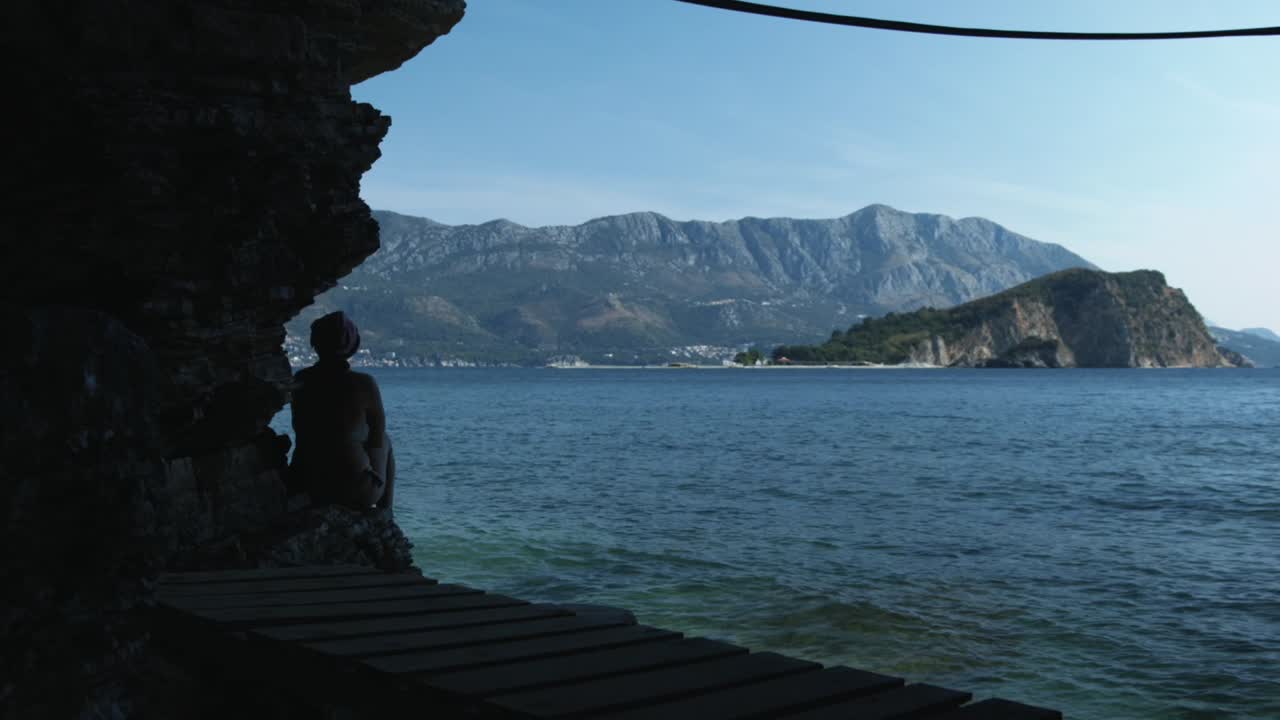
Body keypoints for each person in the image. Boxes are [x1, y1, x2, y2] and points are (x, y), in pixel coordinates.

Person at [288, 311, 395, 510]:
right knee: (385, 439)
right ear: (352, 346)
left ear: (316, 343)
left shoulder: (301, 379)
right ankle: (386, 511)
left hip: (307, 485)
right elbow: (377, 435)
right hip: (355, 491)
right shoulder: (364, 383)